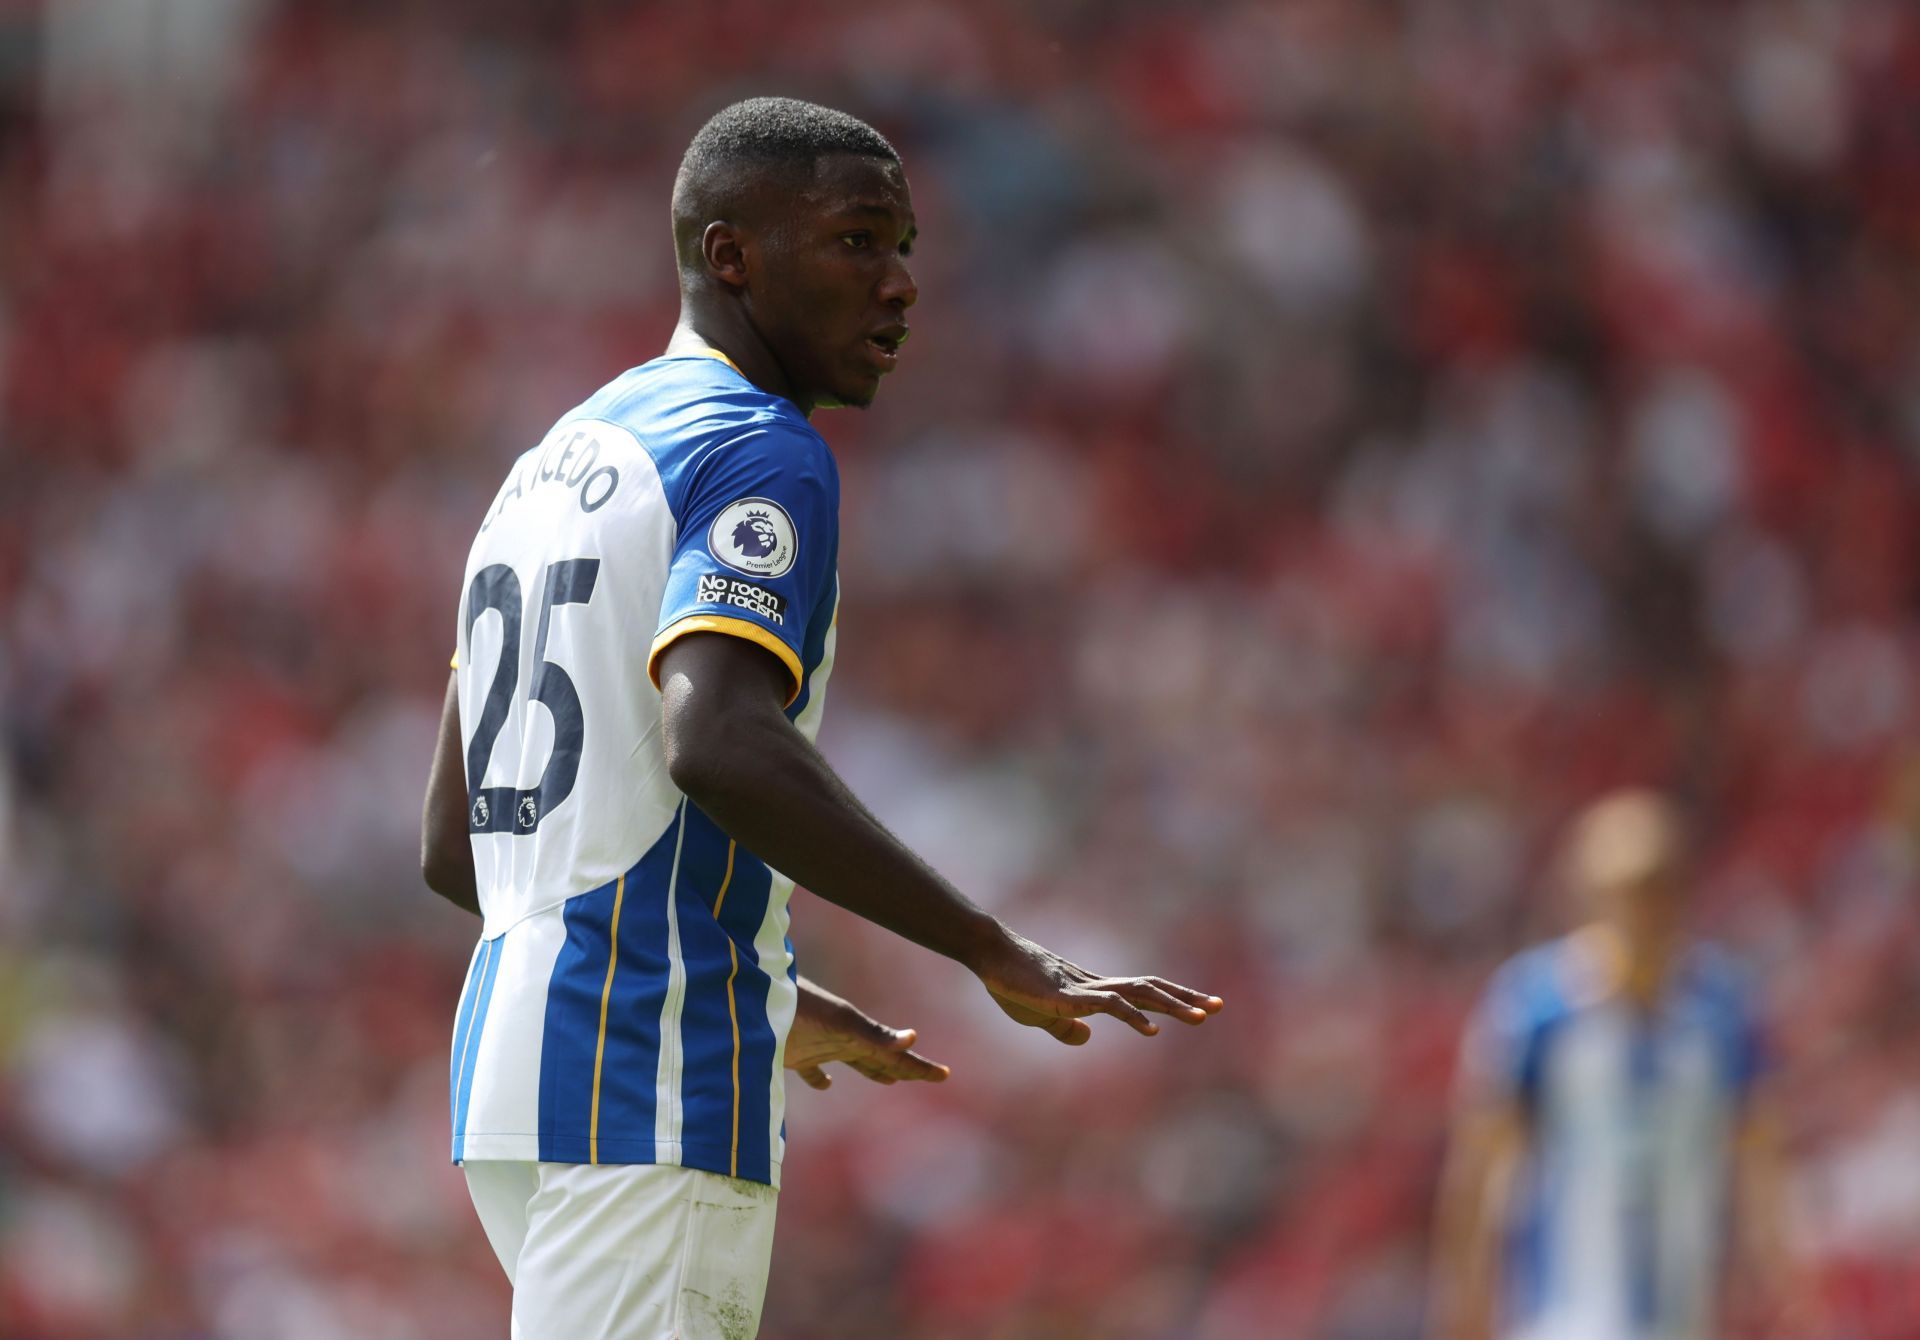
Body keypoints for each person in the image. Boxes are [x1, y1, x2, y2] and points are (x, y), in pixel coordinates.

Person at [418, 96, 1223, 1339]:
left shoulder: (547, 464)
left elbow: (456, 846)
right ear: (731, 255)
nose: (900, 285)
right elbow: (719, 741)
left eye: (903, 249)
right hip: (646, 1072)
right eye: (858, 242)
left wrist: (773, 996)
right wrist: (986, 944)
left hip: (514, 1075)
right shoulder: (755, 446)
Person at [1428, 790, 1809, 1340]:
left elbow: (1759, 1157)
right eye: (1627, 897)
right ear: (1587, 899)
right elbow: (1481, 1164)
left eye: (1658, 894)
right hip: (1563, 1316)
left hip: (1682, 1313)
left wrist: (1784, 1280)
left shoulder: (1721, 1011)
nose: (1642, 917)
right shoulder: (1534, 1009)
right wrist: (1464, 1293)